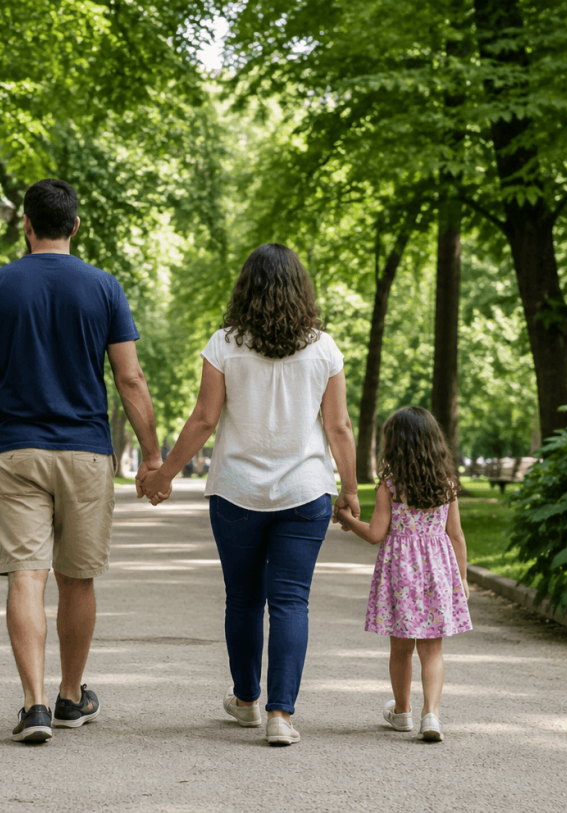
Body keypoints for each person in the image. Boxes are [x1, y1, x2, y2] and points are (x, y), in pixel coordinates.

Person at [0, 179, 164, 743]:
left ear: (25, 224)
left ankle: (34, 705)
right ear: (75, 226)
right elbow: (130, 378)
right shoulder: (104, 287)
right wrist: (153, 456)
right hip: (85, 452)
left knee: (26, 576)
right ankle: (72, 696)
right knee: (78, 578)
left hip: (16, 450)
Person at [141, 243, 359, 746]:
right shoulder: (324, 348)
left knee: (242, 599)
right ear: (301, 290)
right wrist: (348, 489)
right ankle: (281, 715)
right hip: (305, 493)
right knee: (290, 601)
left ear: (246, 288)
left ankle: (246, 702)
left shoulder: (224, 344)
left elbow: (203, 419)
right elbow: (339, 427)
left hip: (237, 493)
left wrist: (164, 475)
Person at [333, 406, 471, 742]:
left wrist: (346, 519)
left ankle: (402, 711)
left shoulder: (390, 486)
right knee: (432, 650)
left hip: (401, 575)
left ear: (395, 445)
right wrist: (462, 579)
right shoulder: (448, 485)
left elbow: (376, 534)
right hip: (437, 572)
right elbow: (456, 536)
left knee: (400, 648)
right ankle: (432, 716)